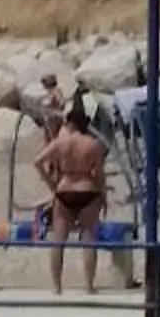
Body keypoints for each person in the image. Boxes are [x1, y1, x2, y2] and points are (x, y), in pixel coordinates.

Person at [34, 102, 116, 295]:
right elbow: (100, 173)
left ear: (70, 123)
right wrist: (103, 194)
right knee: (89, 239)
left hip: (65, 187)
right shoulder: (93, 144)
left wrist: (51, 185)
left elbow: (37, 162)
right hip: (87, 187)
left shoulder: (60, 143)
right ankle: (89, 286)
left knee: (58, 240)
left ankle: (57, 287)